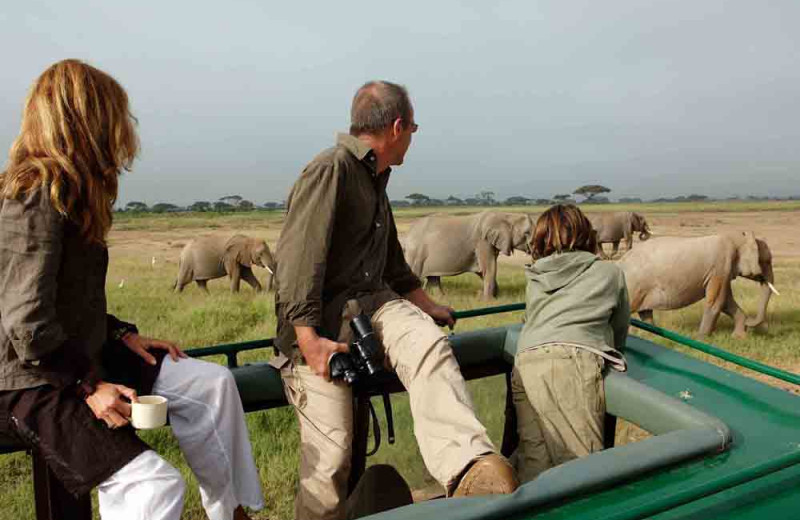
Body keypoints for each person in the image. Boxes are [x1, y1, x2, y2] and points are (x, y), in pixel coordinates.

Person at [0, 59, 264, 520]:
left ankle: (232, 513)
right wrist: (90, 386)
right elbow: (26, 323)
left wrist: (119, 334)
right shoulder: (33, 193)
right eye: (116, 116)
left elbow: (65, 300)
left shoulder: (71, 192)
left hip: (78, 351)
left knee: (213, 385)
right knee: (155, 488)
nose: (125, 128)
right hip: (33, 377)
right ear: (85, 119)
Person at [273, 80, 518, 520]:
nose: (411, 139)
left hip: (374, 307)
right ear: (398, 126)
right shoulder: (331, 171)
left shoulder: (375, 180)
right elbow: (296, 261)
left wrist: (424, 304)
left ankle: (466, 468)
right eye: (413, 129)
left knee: (429, 345)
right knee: (330, 463)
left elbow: (393, 265)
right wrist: (308, 340)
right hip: (325, 326)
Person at [512, 204, 630, 483]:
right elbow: (620, 326)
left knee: (535, 463)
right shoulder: (609, 273)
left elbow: (531, 317)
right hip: (571, 364)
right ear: (586, 234)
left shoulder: (536, 275)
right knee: (581, 468)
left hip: (525, 362)